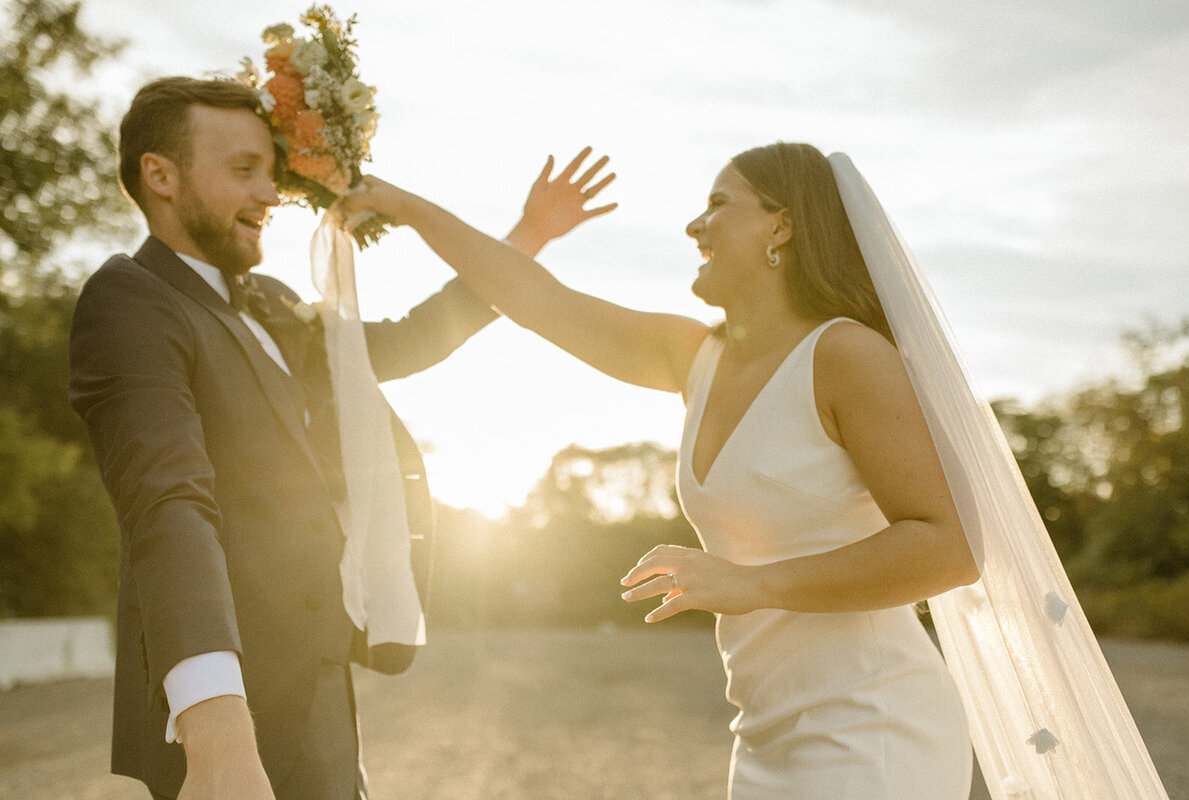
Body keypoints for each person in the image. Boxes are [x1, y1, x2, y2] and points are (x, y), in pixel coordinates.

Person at [340, 143, 981, 799]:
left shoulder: (845, 354)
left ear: (780, 226)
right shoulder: (693, 357)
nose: (694, 226)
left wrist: (753, 583)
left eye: (717, 205)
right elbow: (533, 298)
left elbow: (951, 547)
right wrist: (408, 208)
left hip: (873, 731)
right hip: (765, 733)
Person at [68, 77, 608, 800]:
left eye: (272, 170)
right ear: (159, 176)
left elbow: (416, 338)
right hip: (231, 713)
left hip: (318, 686)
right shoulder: (131, 299)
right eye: (242, 170)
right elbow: (167, 507)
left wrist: (527, 237)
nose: (270, 192)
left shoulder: (276, 304)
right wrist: (217, 728)